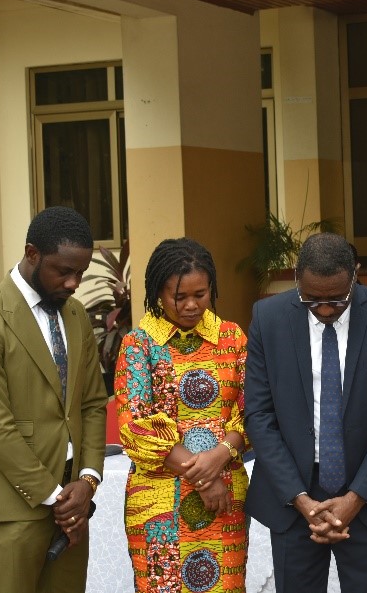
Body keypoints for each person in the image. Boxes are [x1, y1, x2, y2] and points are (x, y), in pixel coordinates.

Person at [244, 232, 367, 593]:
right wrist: (301, 499)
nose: (325, 309)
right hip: (292, 497)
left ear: (355, 275)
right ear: (296, 278)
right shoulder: (268, 317)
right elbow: (259, 415)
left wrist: (356, 498)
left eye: (338, 299)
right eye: (312, 299)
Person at [0, 206, 108, 593]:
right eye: (64, 271)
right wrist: (55, 496)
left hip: (73, 508)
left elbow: (91, 404)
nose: (74, 283)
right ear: (32, 253)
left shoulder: (75, 315)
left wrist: (87, 482)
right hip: (12, 510)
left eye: (81, 273)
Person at [114, 237, 249, 592]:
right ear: (158, 292)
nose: (191, 305)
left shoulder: (232, 338)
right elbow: (136, 428)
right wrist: (205, 478)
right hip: (159, 503)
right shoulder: (139, 345)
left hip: (224, 500)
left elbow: (252, 411)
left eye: (200, 294)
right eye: (179, 296)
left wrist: (220, 457)